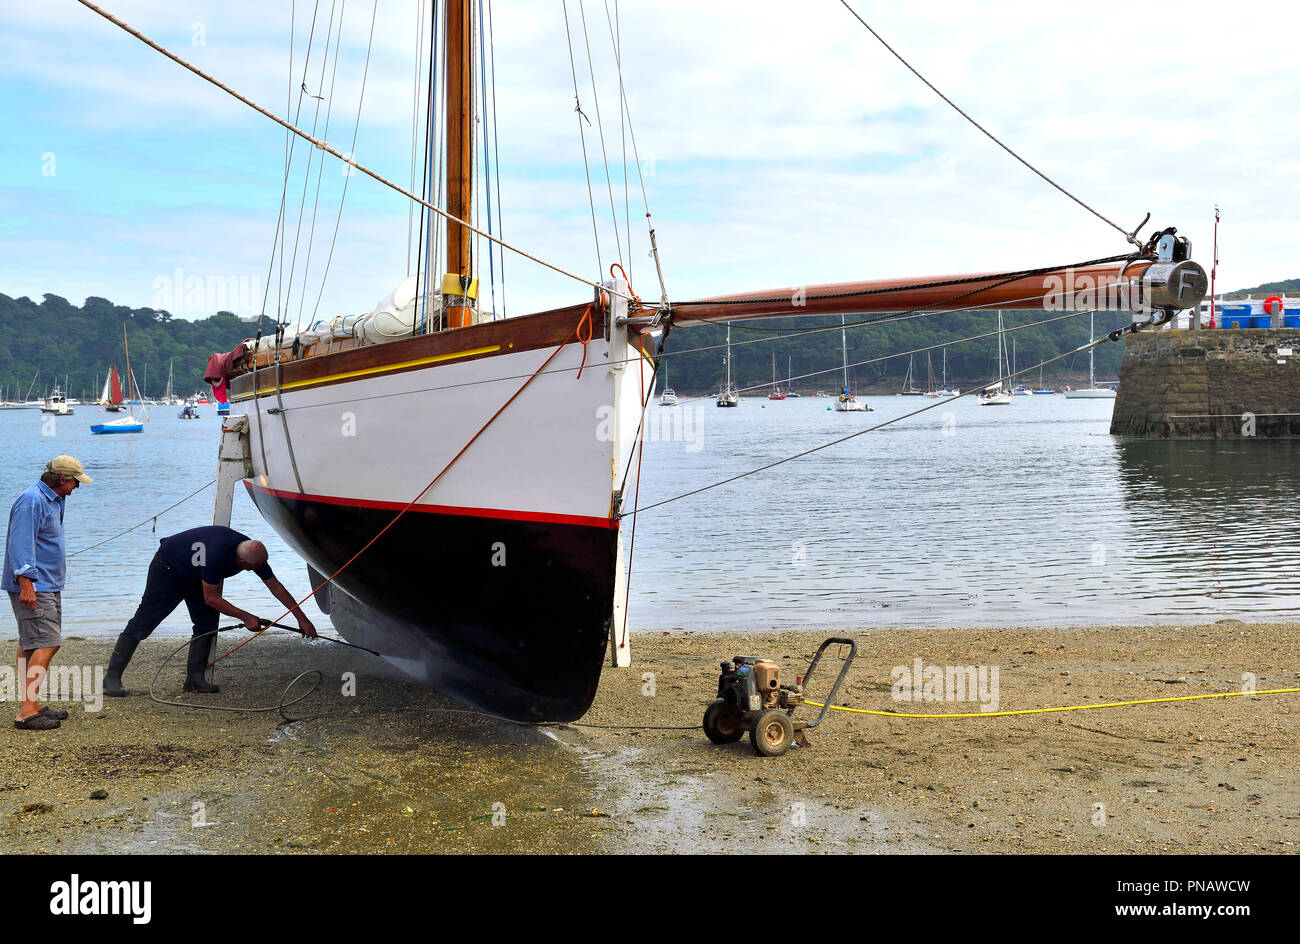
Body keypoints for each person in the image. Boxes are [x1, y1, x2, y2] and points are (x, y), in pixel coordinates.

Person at [104, 525, 317, 696]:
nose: (255, 571)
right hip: (168, 569)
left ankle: (194, 679)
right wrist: (246, 616)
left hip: (197, 575)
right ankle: (112, 678)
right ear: (241, 562)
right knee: (143, 624)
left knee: (206, 624)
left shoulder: (252, 552)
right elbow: (212, 598)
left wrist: (302, 618)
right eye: (251, 568)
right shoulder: (217, 555)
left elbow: (275, 585)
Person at [3, 456, 93, 731]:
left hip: (48, 582)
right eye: (75, 481)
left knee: (32, 642)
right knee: (48, 642)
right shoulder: (31, 500)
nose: (77, 486)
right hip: (35, 584)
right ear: (63, 479)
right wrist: (26, 584)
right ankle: (26, 712)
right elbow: (21, 543)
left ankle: (31, 702)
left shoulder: (53, 500)